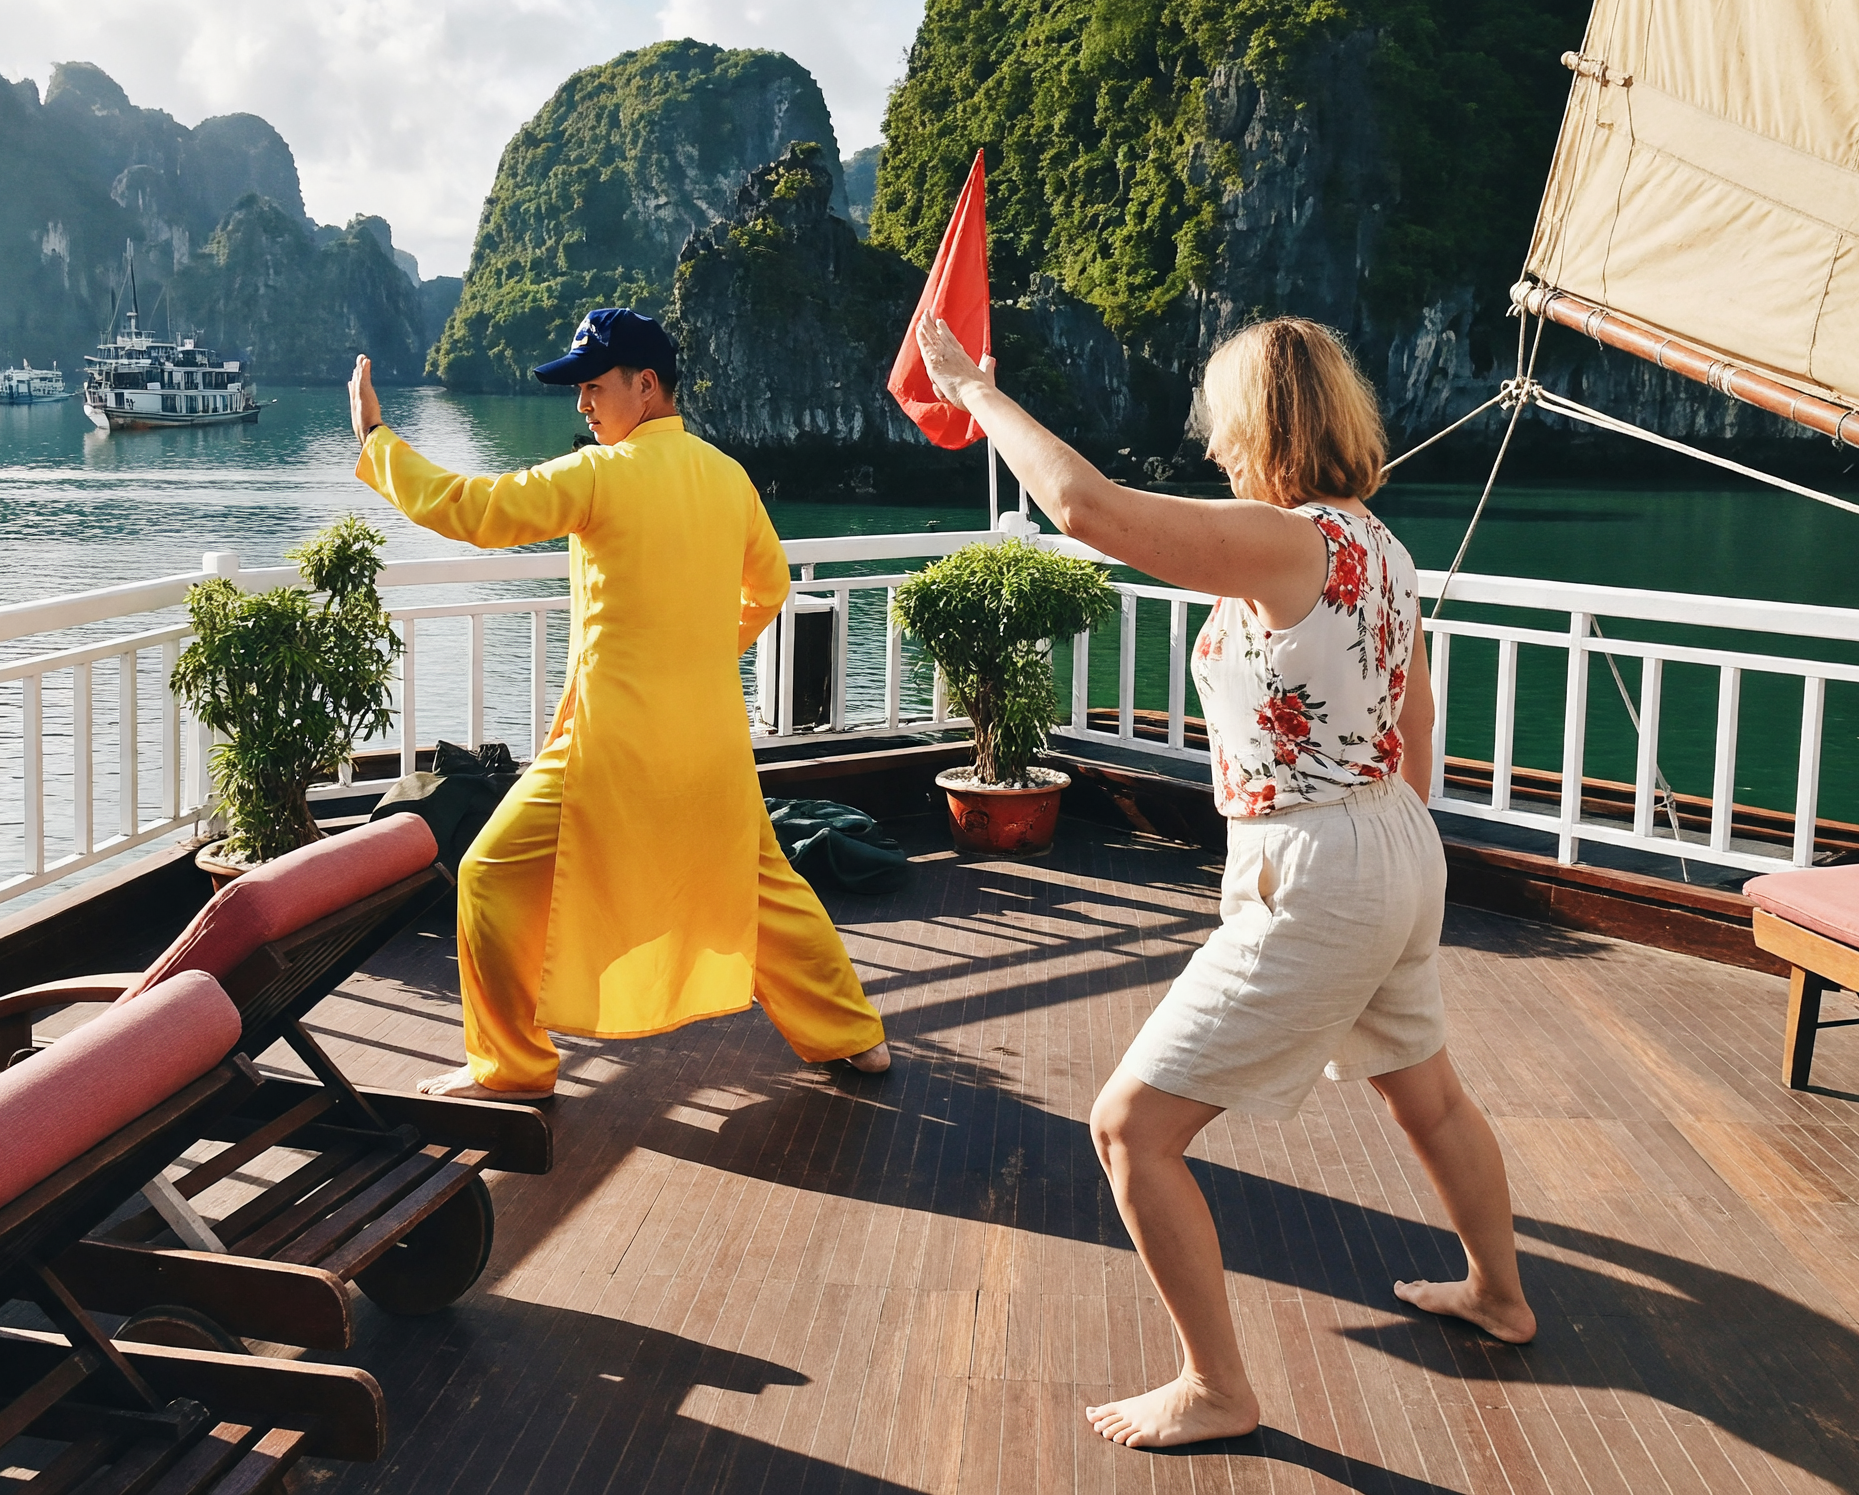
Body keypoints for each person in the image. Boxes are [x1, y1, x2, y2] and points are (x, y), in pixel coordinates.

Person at [916, 311, 1535, 1451]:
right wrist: (1379, 839)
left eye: (1220, 420)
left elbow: (1087, 510)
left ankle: (1217, 1387)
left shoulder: (1284, 539)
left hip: (1322, 865)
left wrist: (975, 394)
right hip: (1390, 839)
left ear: (1258, 423)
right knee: (1425, 1091)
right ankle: (1500, 1293)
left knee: (1129, 1130)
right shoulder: (1378, 547)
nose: (1209, 444)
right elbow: (1418, 723)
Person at [346, 308, 890, 1099]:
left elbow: (471, 508)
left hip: (612, 744)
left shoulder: (600, 476)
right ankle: (854, 1038)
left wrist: (375, 441)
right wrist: (699, 654)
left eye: (594, 386)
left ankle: (511, 1066)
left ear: (646, 385)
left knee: (491, 873)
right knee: (763, 887)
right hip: (707, 741)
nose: (582, 405)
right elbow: (770, 588)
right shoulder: (727, 476)